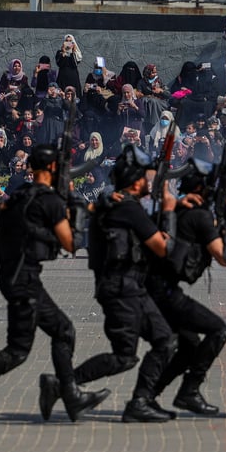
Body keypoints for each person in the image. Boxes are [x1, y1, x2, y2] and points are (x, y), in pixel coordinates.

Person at [0, 144, 110, 421]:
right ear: (53, 169)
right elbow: (71, 244)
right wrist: (78, 211)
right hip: (24, 279)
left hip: (15, 275)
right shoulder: (49, 200)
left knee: (60, 331)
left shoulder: (22, 194)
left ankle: (69, 394)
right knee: (22, 348)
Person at [71, 144, 181, 422]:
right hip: (122, 289)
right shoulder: (128, 209)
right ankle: (65, 384)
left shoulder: (114, 205)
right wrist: (169, 211)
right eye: (146, 177)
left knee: (164, 340)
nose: (150, 181)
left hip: (126, 287)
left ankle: (140, 402)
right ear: (135, 181)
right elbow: (163, 248)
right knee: (127, 355)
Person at [143, 159, 226, 415]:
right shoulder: (199, 215)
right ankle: (188, 391)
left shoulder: (180, 209)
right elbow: (223, 257)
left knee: (190, 345)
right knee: (219, 330)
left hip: (157, 287)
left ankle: (149, 395)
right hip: (165, 291)